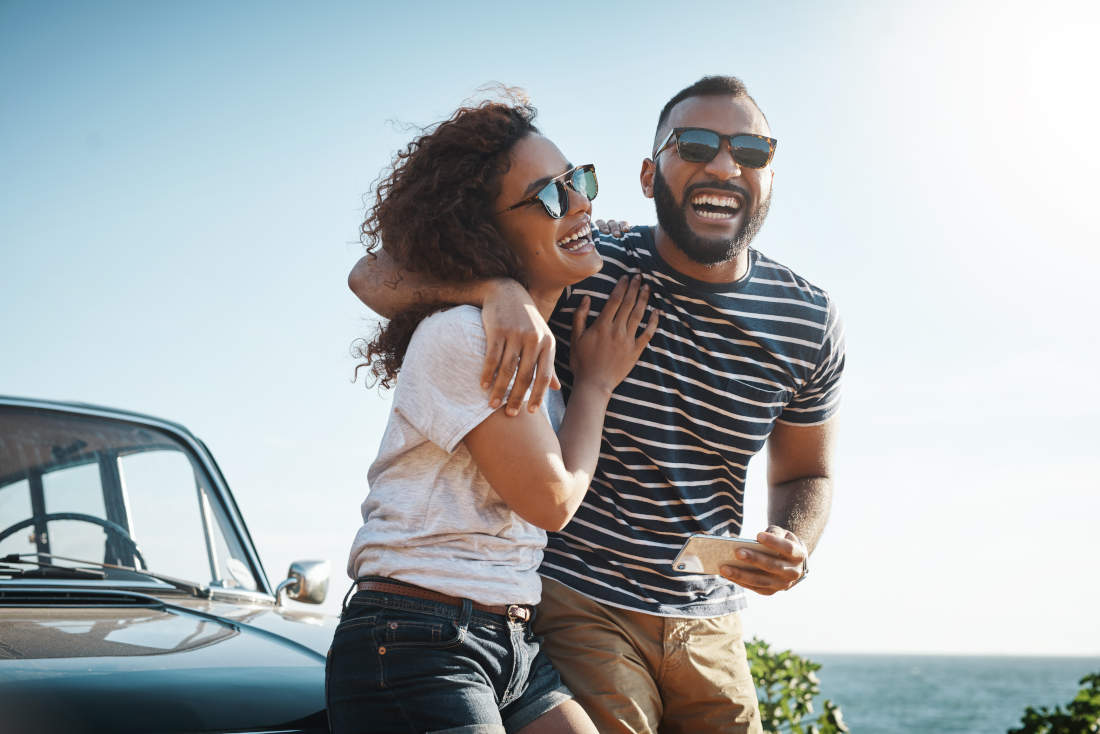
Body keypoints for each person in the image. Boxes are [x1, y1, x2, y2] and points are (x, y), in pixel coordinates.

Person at [348, 76, 845, 734]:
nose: (723, 165)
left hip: (712, 620)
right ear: (649, 175)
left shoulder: (808, 320)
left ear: (771, 175)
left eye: (750, 151)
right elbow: (374, 274)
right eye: (693, 144)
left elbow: (806, 472)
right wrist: (495, 288)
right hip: (581, 601)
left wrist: (794, 541)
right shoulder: (586, 262)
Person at [328, 95, 658, 734]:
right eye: (552, 196)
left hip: (507, 641)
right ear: (486, 231)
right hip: (416, 641)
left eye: (580, 180)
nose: (581, 202)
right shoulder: (465, 336)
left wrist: (568, 234)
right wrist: (595, 385)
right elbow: (551, 501)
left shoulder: (525, 333)